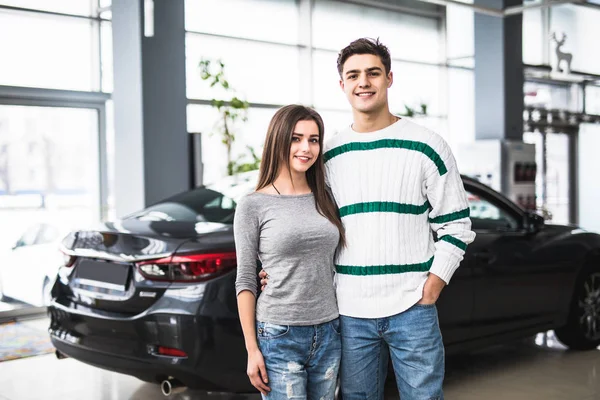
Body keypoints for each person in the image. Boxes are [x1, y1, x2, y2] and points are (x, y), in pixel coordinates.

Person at [262, 38, 475, 400]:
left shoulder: (427, 145)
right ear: (342, 85)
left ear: (389, 78)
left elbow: (456, 225)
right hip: (349, 310)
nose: (364, 82)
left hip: (413, 307)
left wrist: (434, 284)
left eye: (373, 73)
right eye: (354, 75)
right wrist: (275, 266)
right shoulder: (326, 155)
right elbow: (299, 219)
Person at [234, 104, 346, 399]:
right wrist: (251, 349)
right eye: (296, 138)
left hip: (330, 329)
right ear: (278, 140)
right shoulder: (253, 204)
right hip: (278, 333)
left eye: (313, 139)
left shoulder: (326, 197)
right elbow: (245, 279)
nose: (305, 148)